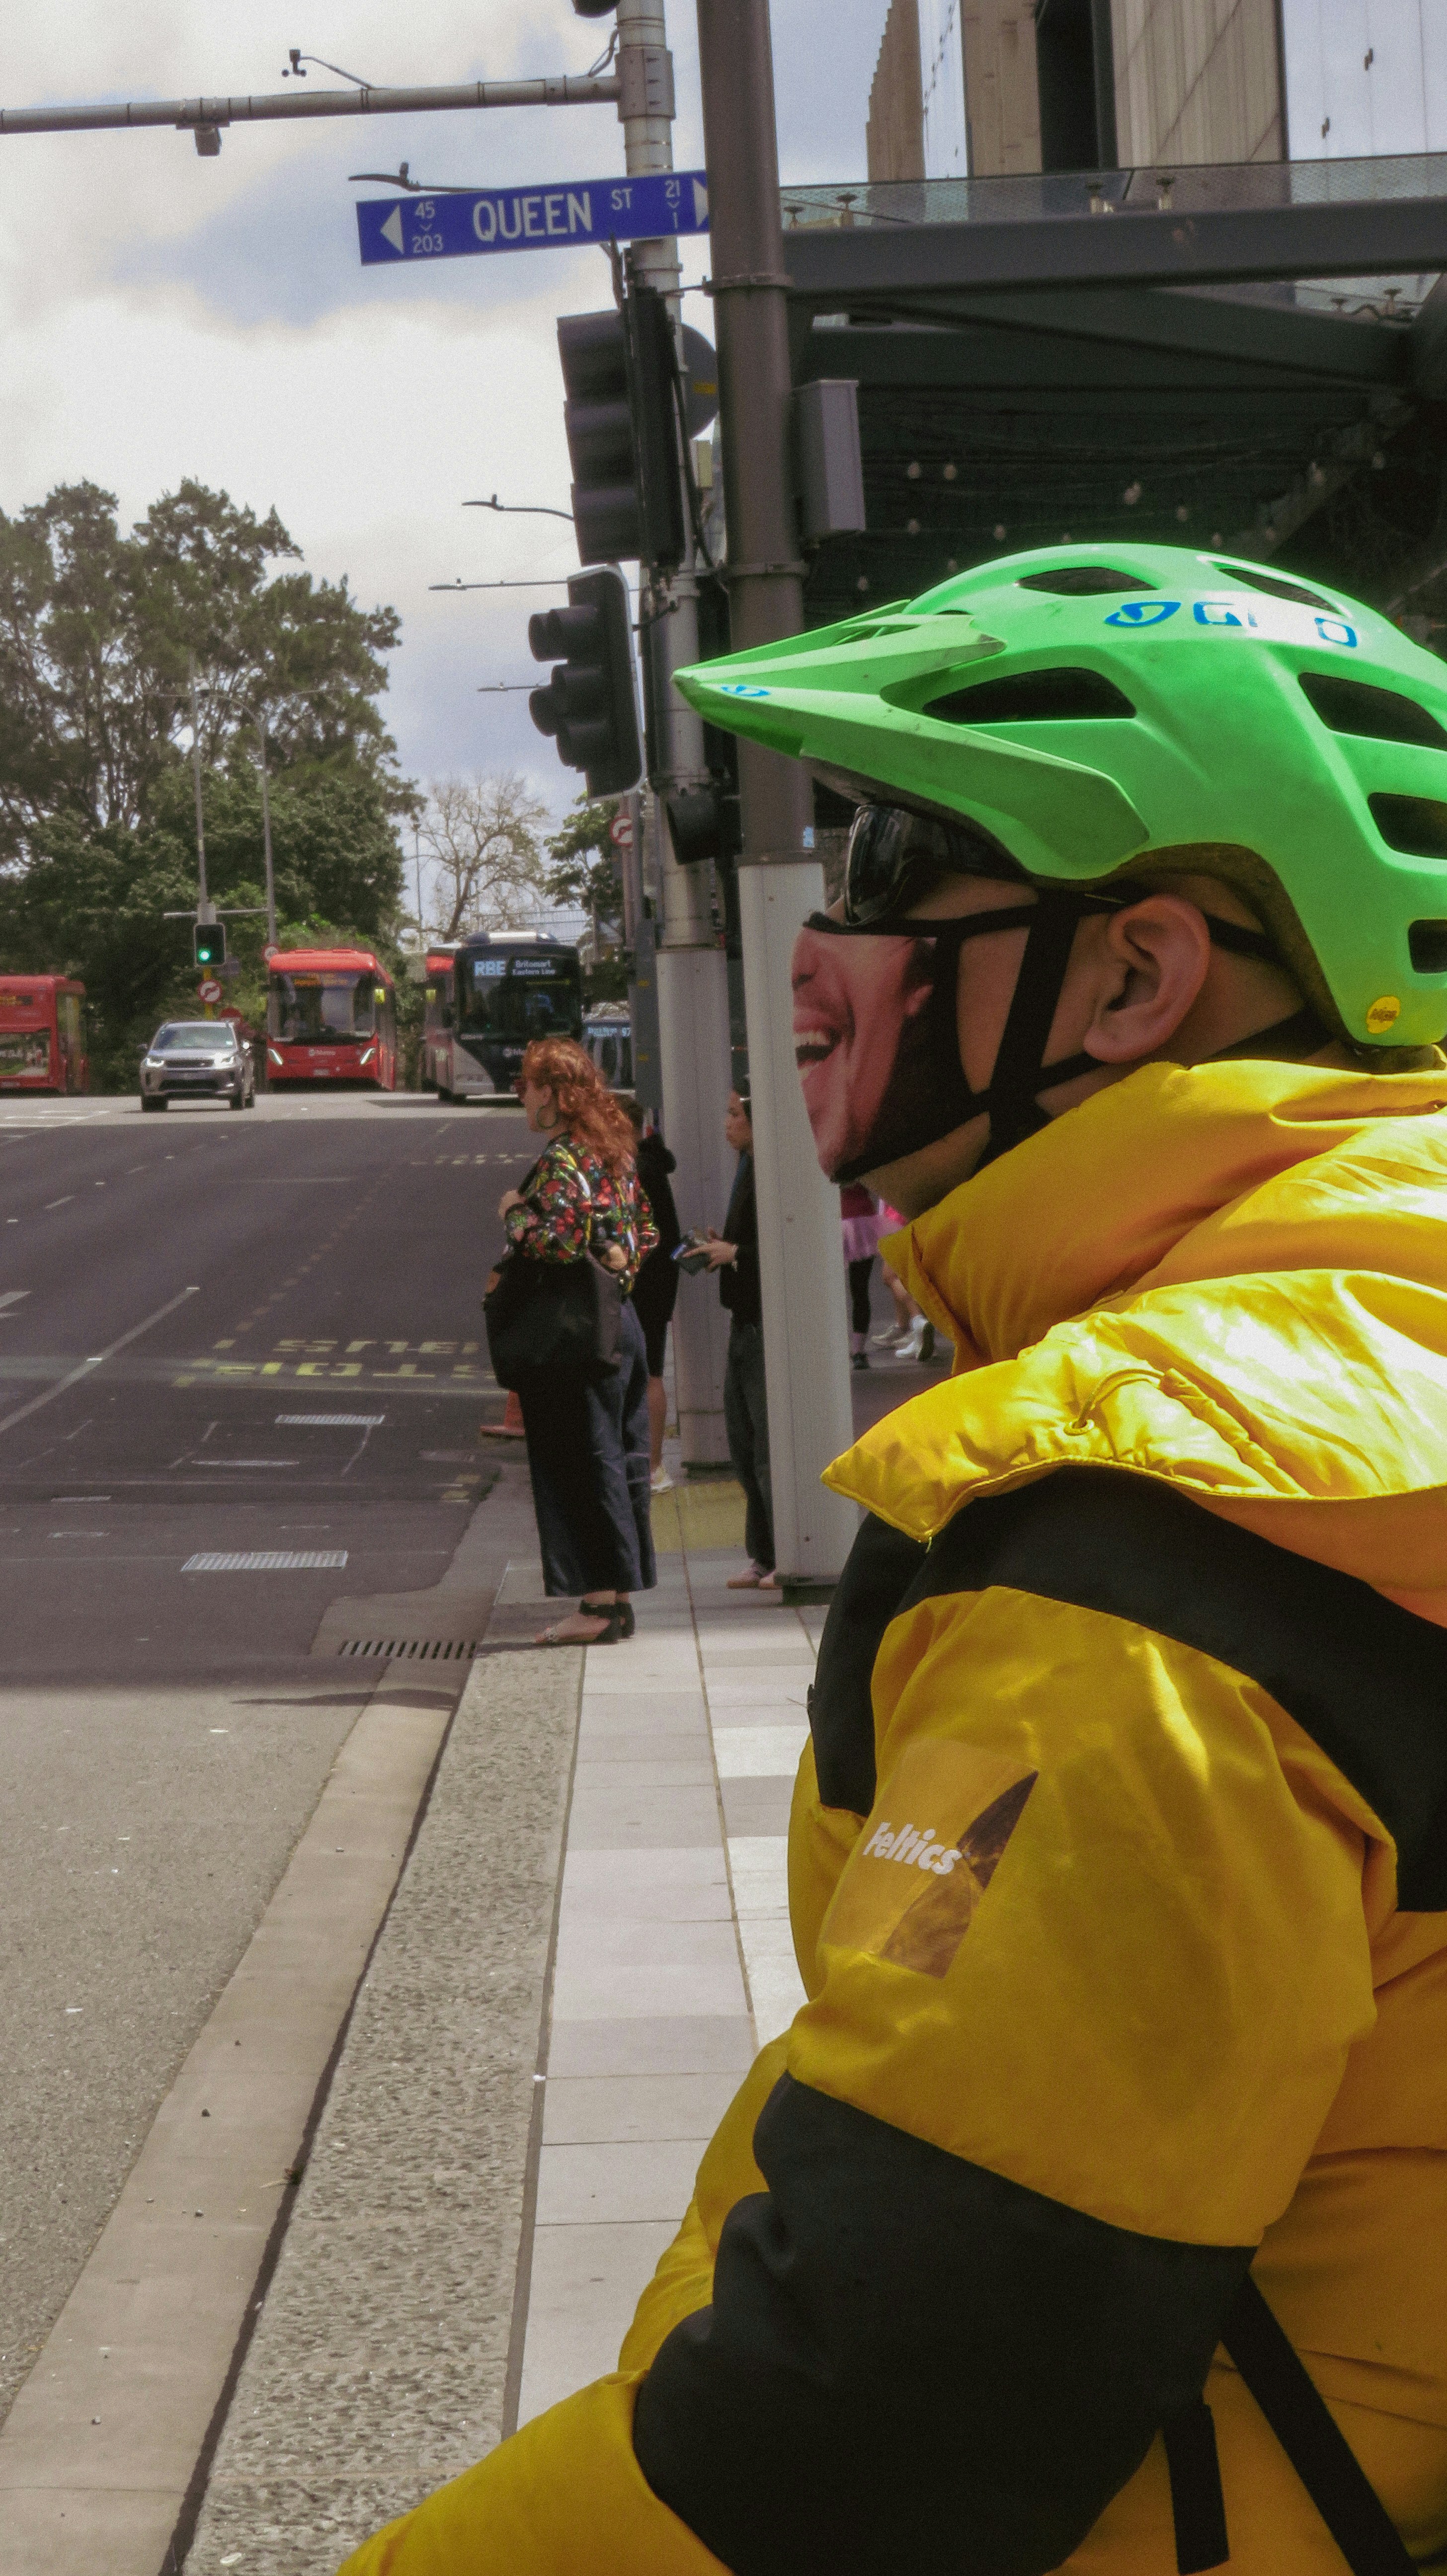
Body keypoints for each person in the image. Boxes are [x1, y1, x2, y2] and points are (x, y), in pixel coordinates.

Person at [340, 544, 1447, 2575]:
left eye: (885, 871)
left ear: (1127, 977)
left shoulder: (1152, 1552)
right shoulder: (1377, 1354)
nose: (814, 947)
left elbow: (855, 2435)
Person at [498, 1036, 657, 1647]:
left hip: (574, 1338)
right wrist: (622, 1266)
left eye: (529, 1087)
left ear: (554, 1096)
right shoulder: (611, 1154)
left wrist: (514, 1213)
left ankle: (594, 1604)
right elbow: (645, 1230)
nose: (522, 1097)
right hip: (622, 1325)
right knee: (615, 1461)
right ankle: (616, 1601)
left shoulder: (564, 1159)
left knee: (579, 1463)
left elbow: (559, 1243)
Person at [702, 1089, 775, 1591]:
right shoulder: (745, 1168)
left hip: (763, 1323)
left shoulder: (771, 1174)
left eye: (734, 1114)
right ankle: (761, 1553)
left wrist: (734, 1254)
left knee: (768, 1445)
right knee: (743, 1442)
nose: (726, 1123)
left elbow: (779, 1247)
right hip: (741, 1322)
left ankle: (778, 1552)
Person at [624, 1097, 681, 1491]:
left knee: (649, 1374)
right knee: (648, 1372)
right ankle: (650, 1464)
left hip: (647, 1285)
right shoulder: (649, 1166)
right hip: (656, 1283)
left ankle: (654, 1466)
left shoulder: (641, 1171)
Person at [840, 1179, 881, 1369]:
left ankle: (856, 1350)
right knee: (859, 1289)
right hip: (860, 1218)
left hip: (851, 1220)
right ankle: (858, 1351)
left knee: (857, 1289)